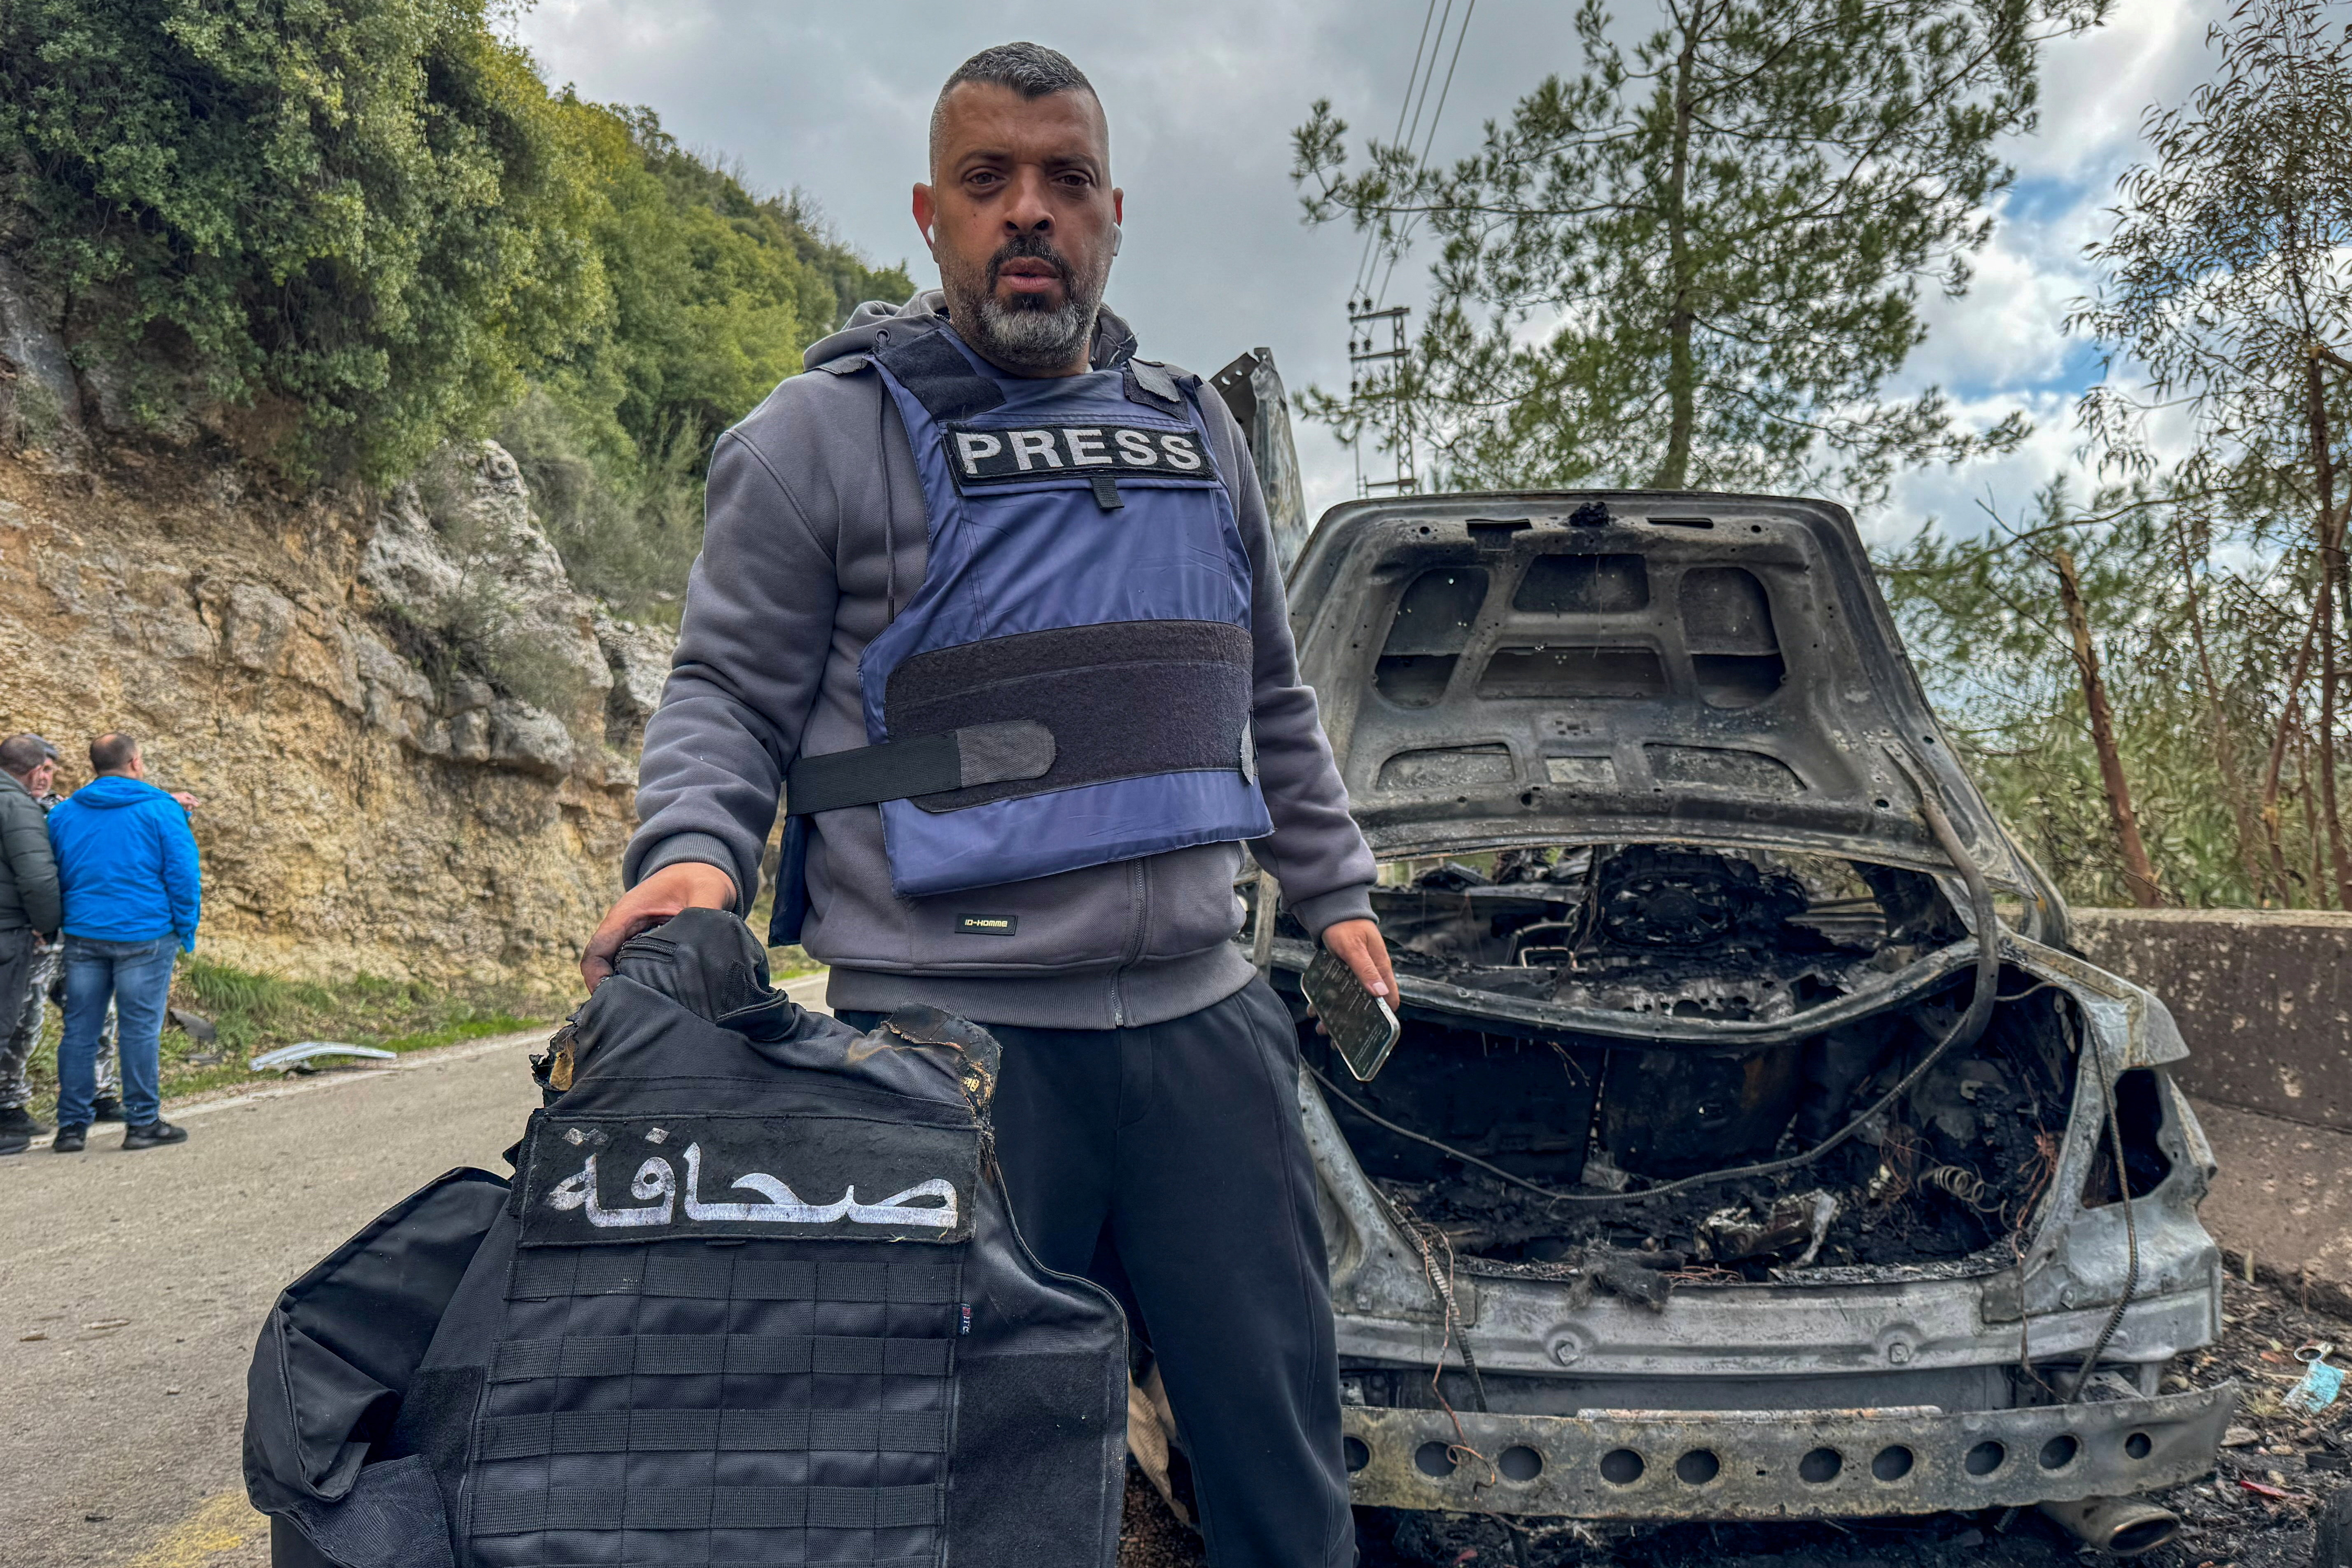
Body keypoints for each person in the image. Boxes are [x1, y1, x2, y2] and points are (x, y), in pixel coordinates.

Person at [582, 44, 1388, 1568]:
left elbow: (1269, 695)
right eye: (989, 182)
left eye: (1065, 182)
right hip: (948, 1049)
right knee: (962, 1476)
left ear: (1112, 213)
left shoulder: (1199, 434)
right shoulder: (813, 436)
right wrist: (690, 858)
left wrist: (1334, 890)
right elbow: (726, 693)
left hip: (1207, 1031)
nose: (1031, 213)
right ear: (930, 215)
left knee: (1279, 1454)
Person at [46, 733, 200, 1152]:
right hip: (146, 934)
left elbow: (54, 873)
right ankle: (143, 1123)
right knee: (139, 1031)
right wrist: (185, 929)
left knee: (79, 1030)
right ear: (135, 762)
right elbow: (183, 876)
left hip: (84, 934)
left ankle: (72, 1127)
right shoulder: (162, 810)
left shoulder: (63, 814)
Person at [0, 733, 63, 1153]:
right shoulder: (16, 804)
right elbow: (38, 878)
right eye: (49, 770)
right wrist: (48, 925)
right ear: (37, 769)